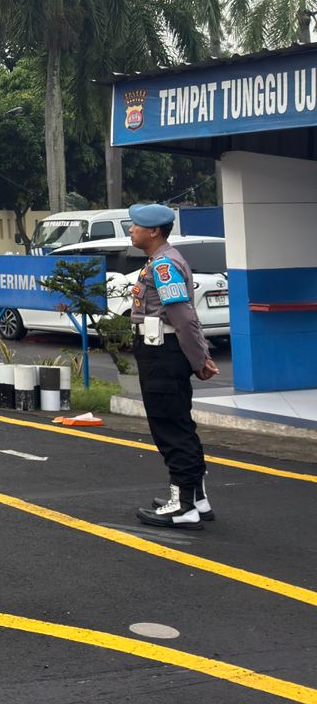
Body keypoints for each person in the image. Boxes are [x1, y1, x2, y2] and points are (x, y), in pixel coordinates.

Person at [128, 203, 219, 530]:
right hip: (162, 352)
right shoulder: (160, 260)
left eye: (136, 225)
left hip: (162, 354)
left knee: (170, 427)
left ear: (154, 231)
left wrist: (200, 359)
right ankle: (196, 498)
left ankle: (182, 506)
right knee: (180, 424)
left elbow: (183, 318)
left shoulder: (164, 265)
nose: (131, 230)